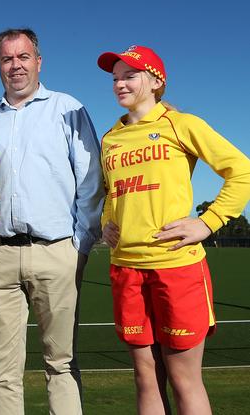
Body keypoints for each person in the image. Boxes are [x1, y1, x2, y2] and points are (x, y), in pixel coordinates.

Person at [97, 44, 250, 414]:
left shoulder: (182, 124)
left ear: (155, 81)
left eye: (129, 75)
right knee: (145, 377)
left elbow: (241, 172)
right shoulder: (110, 138)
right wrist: (106, 223)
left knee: (184, 378)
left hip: (176, 267)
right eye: (115, 78)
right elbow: (109, 193)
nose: (119, 84)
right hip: (127, 268)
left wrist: (207, 222)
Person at [0, 28, 104, 415]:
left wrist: (79, 247)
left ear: (38, 61)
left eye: (23, 57)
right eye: (7, 59)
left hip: (56, 251)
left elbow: (91, 182)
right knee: (2, 373)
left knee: (60, 364)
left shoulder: (68, 109)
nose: (15, 65)